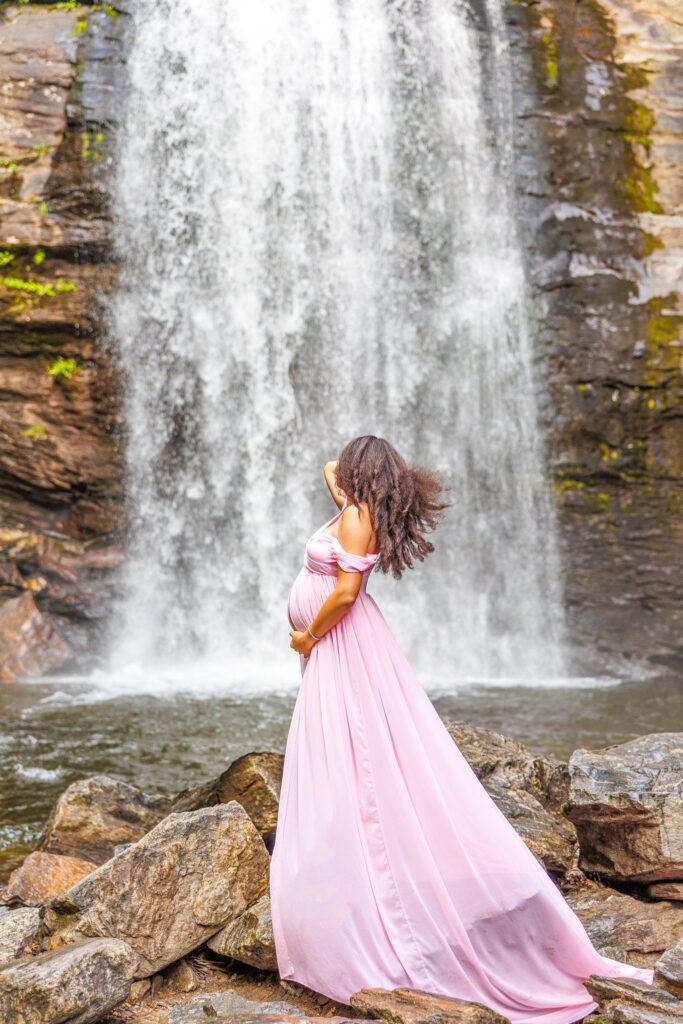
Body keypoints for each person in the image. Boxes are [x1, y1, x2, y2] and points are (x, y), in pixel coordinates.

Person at [269, 434, 654, 1024]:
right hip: (347, 644)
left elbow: (345, 592)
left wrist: (308, 635)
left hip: (340, 640)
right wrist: (358, 475)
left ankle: (374, 889)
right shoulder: (358, 507)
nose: (336, 471)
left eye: (349, 467)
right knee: (352, 745)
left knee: (360, 752)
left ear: (360, 476)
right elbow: (330, 471)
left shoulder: (356, 518)